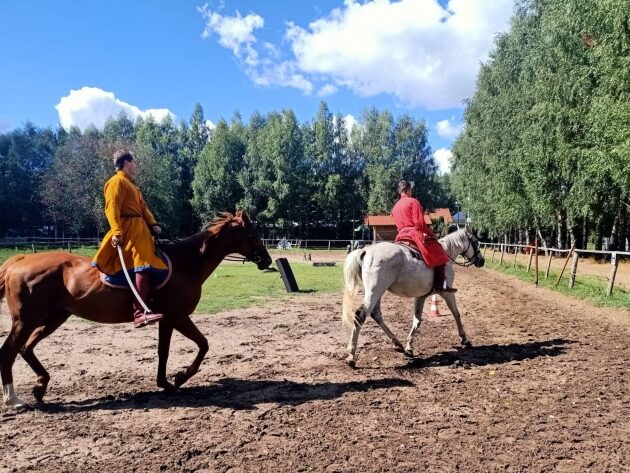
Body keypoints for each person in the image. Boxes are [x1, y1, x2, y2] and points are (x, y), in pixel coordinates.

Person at [92, 149, 168, 327]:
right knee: (142, 265)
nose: (136, 165)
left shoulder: (133, 186)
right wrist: (117, 232)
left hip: (140, 230)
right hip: (128, 231)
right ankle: (140, 312)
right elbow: (112, 209)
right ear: (126, 162)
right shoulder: (116, 182)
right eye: (134, 162)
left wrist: (153, 223)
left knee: (148, 263)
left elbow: (144, 209)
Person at [391, 180, 457, 293]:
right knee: (439, 251)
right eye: (411, 189)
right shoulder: (413, 202)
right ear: (407, 189)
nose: (411, 191)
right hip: (414, 234)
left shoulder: (395, 207)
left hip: (401, 235)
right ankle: (440, 284)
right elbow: (420, 223)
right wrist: (432, 235)